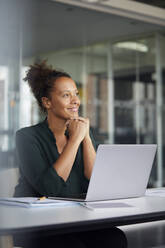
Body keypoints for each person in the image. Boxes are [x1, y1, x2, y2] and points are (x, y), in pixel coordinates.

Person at [14, 61, 127, 248]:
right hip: (35, 224)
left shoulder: (82, 132)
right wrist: (75, 140)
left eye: (75, 93)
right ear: (47, 102)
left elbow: (95, 180)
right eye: (66, 95)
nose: (75, 100)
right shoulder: (26, 137)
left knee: (115, 239)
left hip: (74, 220)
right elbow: (50, 189)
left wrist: (86, 138)